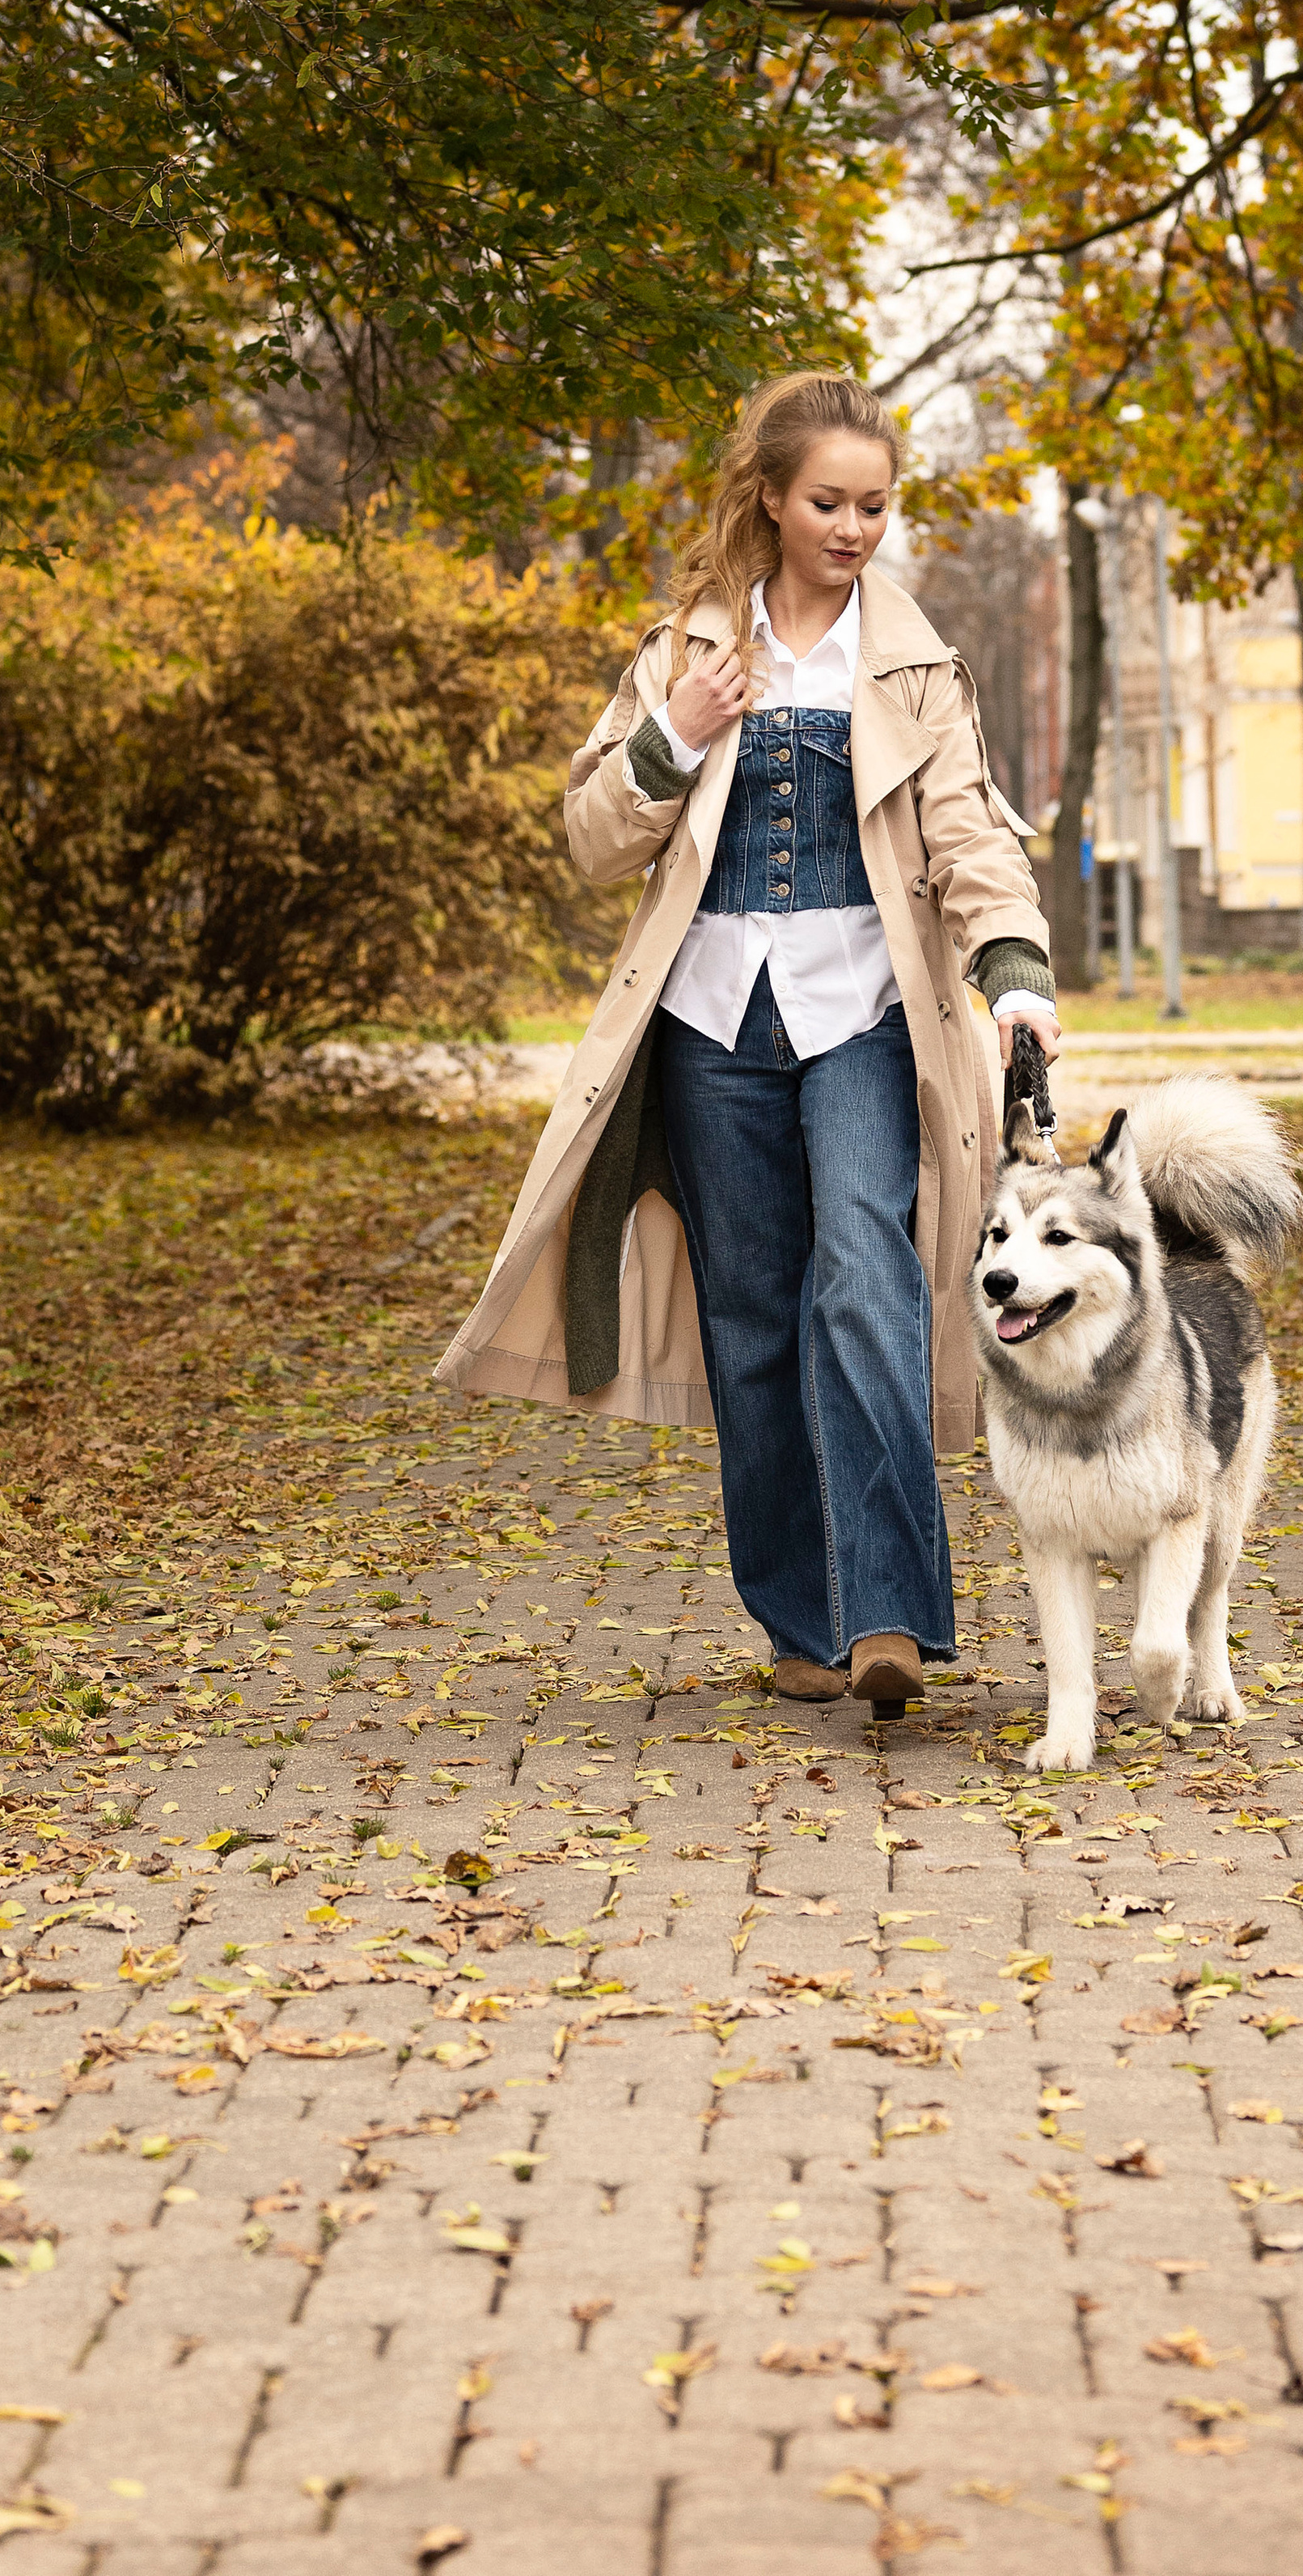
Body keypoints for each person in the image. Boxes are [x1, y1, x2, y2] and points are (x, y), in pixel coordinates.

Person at [437, 370, 1060, 1714]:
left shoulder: (913, 667)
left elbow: (970, 839)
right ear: (772, 498)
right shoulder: (685, 653)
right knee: (752, 1317)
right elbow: (594, 840)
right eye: (829, 502)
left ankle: (890, 1614)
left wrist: (1015, 974)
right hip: (709, 1023)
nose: (853, 528)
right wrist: (677, 732)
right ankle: (799, 1621)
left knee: (868, 1274)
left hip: (863, 1017)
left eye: (875, 506)